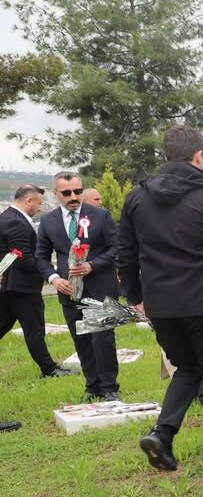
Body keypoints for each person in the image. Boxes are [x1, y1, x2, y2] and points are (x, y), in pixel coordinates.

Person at [117, 125, 203, 474]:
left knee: (187, 369)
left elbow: (126, 254)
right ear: (199, 155)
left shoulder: (136, 197)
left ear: (165, 155)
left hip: (160, 302)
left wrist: (136, 297)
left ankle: (162, 434)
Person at [35, 171, 121, 402]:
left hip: (101, 287)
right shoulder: (48, 221)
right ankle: (92, 386)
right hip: (69, 290)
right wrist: (54, 278)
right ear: (56, 194)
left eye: (78, 191)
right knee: (81, 339)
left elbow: (116, 248)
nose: (73, 196)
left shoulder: (100, 215)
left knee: (102, 338)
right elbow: (41, 256)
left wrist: (92, 265)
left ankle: (110, 387)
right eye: (67, 192)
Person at [0, 184, 72, 379]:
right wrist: (51, 273)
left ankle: (49, 368)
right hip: (21, 287)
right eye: (39, 203)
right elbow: (23, 257)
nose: (40, 207)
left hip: (9, 285)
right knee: (35, 329)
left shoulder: (7, 218)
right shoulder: (15, 222)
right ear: (28, 200)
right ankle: (49, 369)